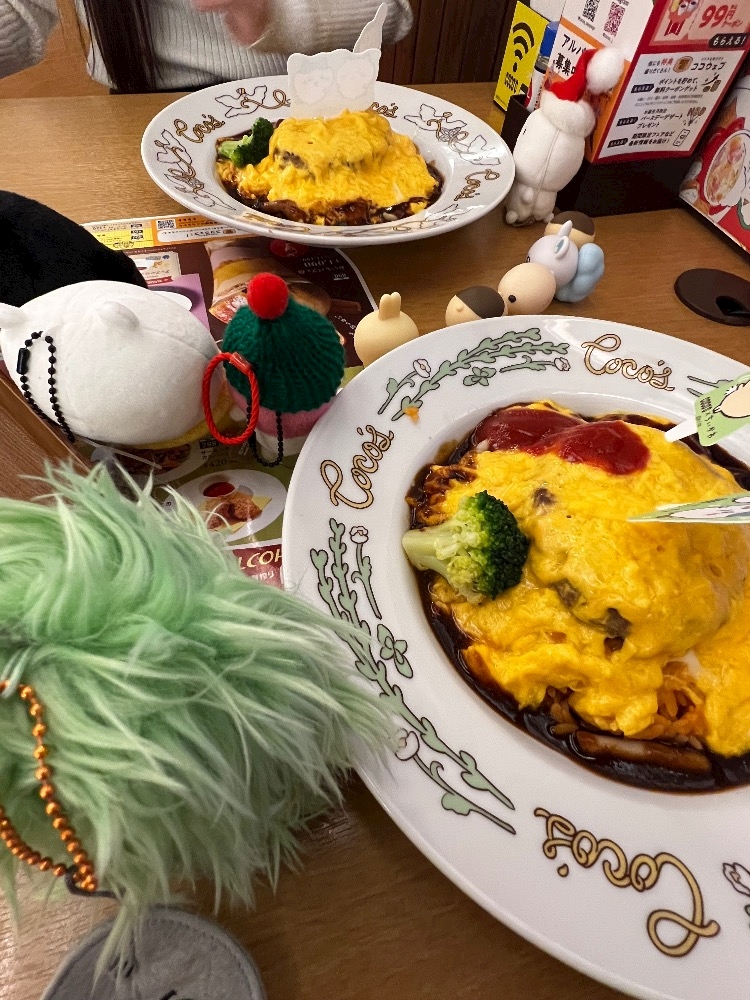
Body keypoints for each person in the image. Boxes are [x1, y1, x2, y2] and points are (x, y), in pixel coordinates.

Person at [0, 0, 412, 93]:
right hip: (133, 113)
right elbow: (19, 11)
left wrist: (277, 14)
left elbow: (393, 11)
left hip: (300, 99)